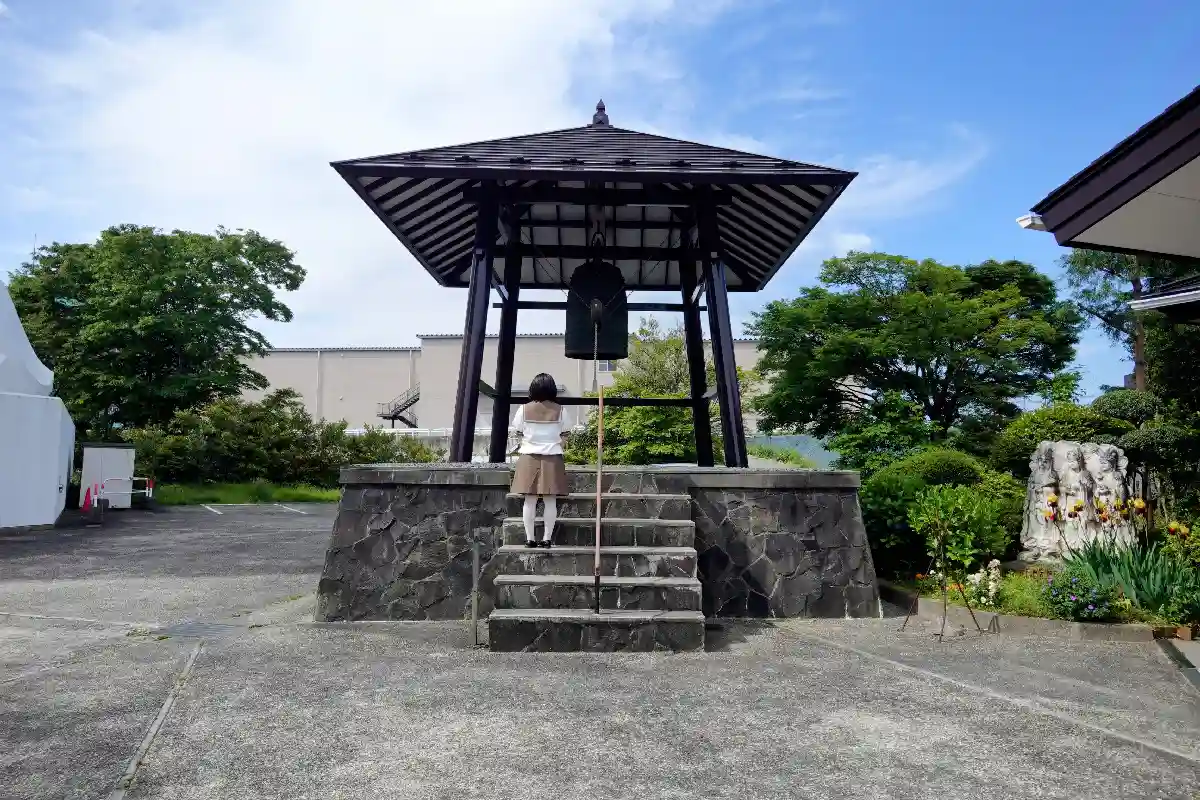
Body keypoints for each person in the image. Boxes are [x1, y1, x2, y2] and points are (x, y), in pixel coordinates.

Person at [509, 373, 570, 548]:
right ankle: (547, 539)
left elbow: (517, 431)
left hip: (528, 456)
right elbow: (565, 433)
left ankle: (530, 539)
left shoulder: (523, 409)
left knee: (530, 500)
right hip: (553, 457)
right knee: (550, 500)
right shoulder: (561, 410)